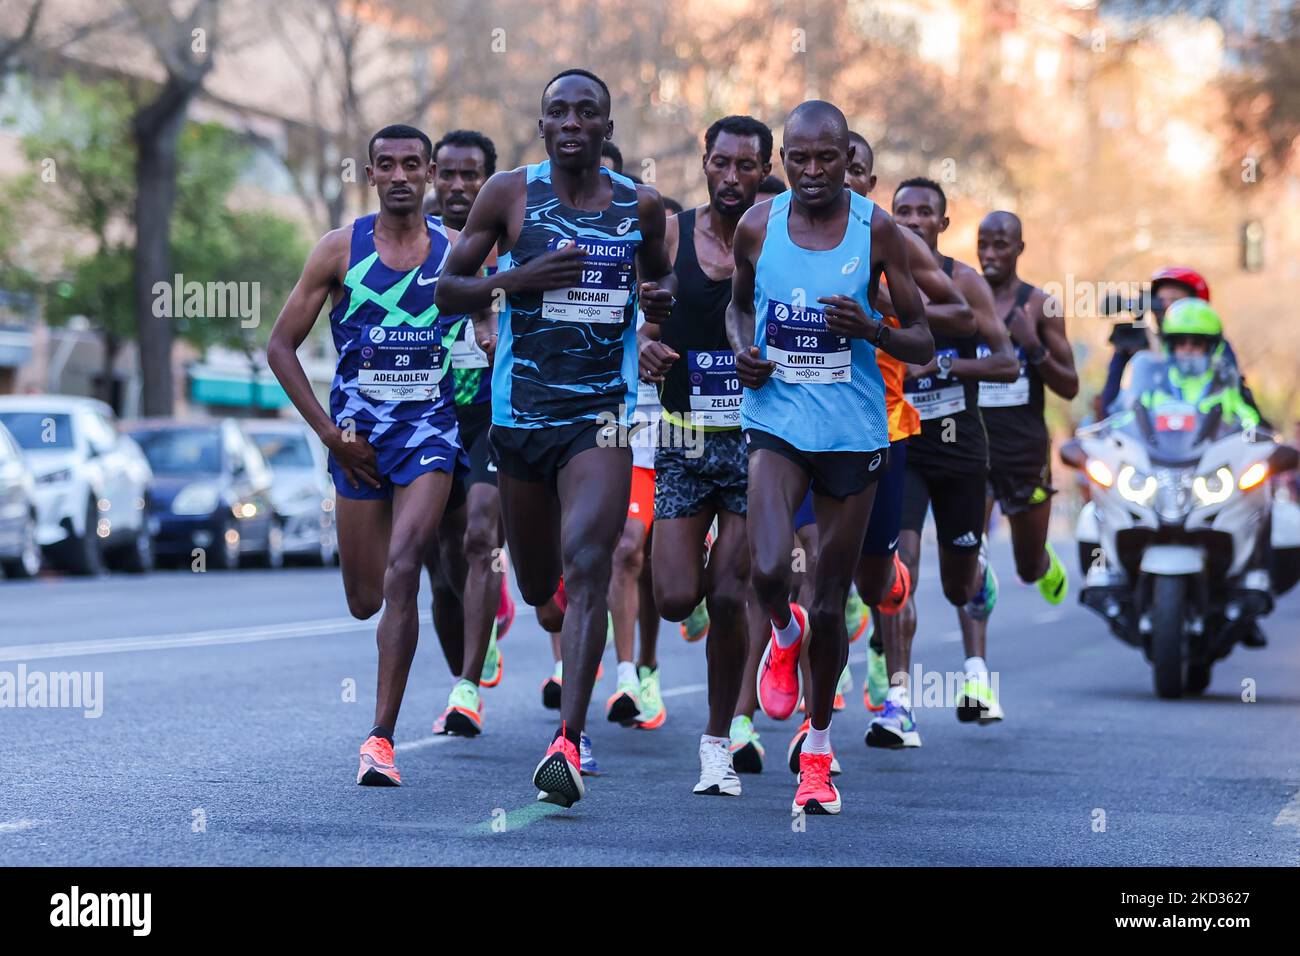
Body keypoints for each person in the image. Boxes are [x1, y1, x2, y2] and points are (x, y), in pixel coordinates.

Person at [435, 69, 676, 808]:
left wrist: (654, 318)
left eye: (587, 112)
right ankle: (529, 606)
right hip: (520, 418)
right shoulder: (508, 194)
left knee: (591, 562)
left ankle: (567, 743)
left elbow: (662, 288)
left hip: (601, 416)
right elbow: (449, 288)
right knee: (544, 583)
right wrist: (521, 278)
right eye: (558, 112)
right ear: (542, 126)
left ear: (607, 127)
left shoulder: (643, 206)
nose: (572, 122)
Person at [727, 100, 932, 816]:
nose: (812, 173)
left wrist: (873, 326)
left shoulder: (881, 234)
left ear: (850, 159)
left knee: (832, 596)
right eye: (799, 159)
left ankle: (817, 750)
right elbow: (738, 307)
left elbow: (924, 343)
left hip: (854, 434)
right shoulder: (759, 224)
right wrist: (742, 349)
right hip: (777, 420)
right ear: (783, 160)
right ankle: (782, 636)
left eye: (826, 159)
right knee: (764, 566)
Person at [267, 124, 469, 786]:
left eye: (414, 164)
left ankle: (380, 738)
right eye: (389, 165)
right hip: (356, 441)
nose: (402, 176)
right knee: (363, 598)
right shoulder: (339, 250)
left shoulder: (458, 252)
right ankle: (401, 639)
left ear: (432, 172)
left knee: (406, 564)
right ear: (372, 174)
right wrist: (329, 435)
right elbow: (279, 347)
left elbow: (497, 319)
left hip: (429, 433)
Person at [638, 114, 774, 794]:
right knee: (672, 597)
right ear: (705, 162)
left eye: (746, 166)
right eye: (721, 163)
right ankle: (693, 598)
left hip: (759, 444)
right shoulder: (669, 233)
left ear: (764, 170)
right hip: (685, 437)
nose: (731, 178)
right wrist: (645, 346)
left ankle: (718, 739)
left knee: (728, 595)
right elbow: (642, 320)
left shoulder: (781, 237)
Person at [869, 177, 1018, 750]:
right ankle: (898, 703)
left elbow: (1005, 362)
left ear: (943, 223)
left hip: (958, 445)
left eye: (924, 212)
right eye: (902, 210)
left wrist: (948, 369)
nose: (911, 220)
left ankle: (978, 574)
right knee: (896, 567)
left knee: (958, 585)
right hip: (901, 440)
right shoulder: (874, 275)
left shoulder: (965, 283)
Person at [840, 133, 974, 728]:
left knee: (902, 568)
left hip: (890, 425)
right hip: (800, 426)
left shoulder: (884, 241)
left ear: (869, 183)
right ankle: (811, 716)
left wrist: (883, 319)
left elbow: (963, 317)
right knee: (801, 561)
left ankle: (896, 699)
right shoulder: (779, 228)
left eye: (854, 169)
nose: (839, 177)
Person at [420, 129, 516, 737]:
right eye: (448, 175)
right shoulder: (415, 243)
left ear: (491, 180)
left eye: (471, 176)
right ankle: (464, 675)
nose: (459, 187)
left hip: (493, 416)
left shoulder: (514, 243)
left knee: (480, 534)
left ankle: (467, 688)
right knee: (440, 565)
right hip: (430, 417)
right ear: (434, 177)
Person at [971, 211, 1077, 606]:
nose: (990, 253)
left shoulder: (1040, 306)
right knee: (968, 554)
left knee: (1027, 565)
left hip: (1024, 450)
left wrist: (1032, 346)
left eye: (1000, 244)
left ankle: (1043, 566)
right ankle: (977, 586)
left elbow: (1069, 386)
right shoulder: (966, 297)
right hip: (974, 445)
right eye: (983, 243)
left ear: (1020, 248)